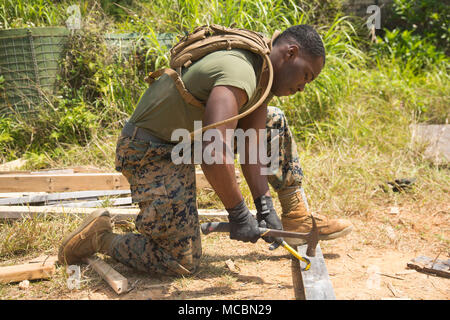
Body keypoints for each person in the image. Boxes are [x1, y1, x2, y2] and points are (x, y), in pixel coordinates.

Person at [58, 24, 352, 276]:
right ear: (291, 53)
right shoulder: (240, 71)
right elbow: (214, 152)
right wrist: (238, 213)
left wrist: (264, 206)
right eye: (307, 76)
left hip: (185, 140)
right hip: (151, 149)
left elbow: (252, 141)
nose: (304, 86)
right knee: (180, 260)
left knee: (273, 121)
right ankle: (100, 239)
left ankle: (295, 213)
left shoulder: (263, 72)